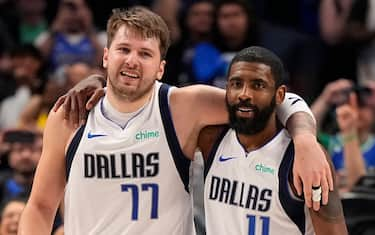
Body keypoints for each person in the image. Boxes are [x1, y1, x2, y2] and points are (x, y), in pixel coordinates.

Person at [19, 7, 332, 234]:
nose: (131, 60)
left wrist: (305, 140)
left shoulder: (184, 105)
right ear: (105, 57)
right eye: (123, 49)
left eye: (145, 54)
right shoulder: (71, 115)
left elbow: (272, 101)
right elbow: (41, 206)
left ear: (160, 68)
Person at [199, 46, 347, 235]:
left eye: (258, 85)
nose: (244, 94)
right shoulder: (210, 139)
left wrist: (305, 139)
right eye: (236, 84)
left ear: (279, 95)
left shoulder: (303, 158)